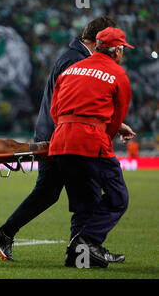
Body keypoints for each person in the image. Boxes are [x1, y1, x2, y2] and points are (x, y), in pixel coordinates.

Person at [0, 16, 135, 263]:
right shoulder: (79, 60)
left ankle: (76, 253)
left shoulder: (73, 58)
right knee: (79, 194)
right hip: (61, 135)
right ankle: (81, 250)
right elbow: (74, 104)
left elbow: (67, 103)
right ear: (98, 41)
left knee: (52, 192)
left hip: (59, 133)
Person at [49, 27, 133, 268]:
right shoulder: (117, 73)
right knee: (118, 198)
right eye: (122, 50)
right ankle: (86, 242)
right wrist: (103, 137)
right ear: (117, 51)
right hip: (90, 142)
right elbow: (117, 117)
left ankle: (80, 258)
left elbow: (56, 110)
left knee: (85, 203)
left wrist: (67, 131)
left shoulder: (71, 69)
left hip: (62, 141)